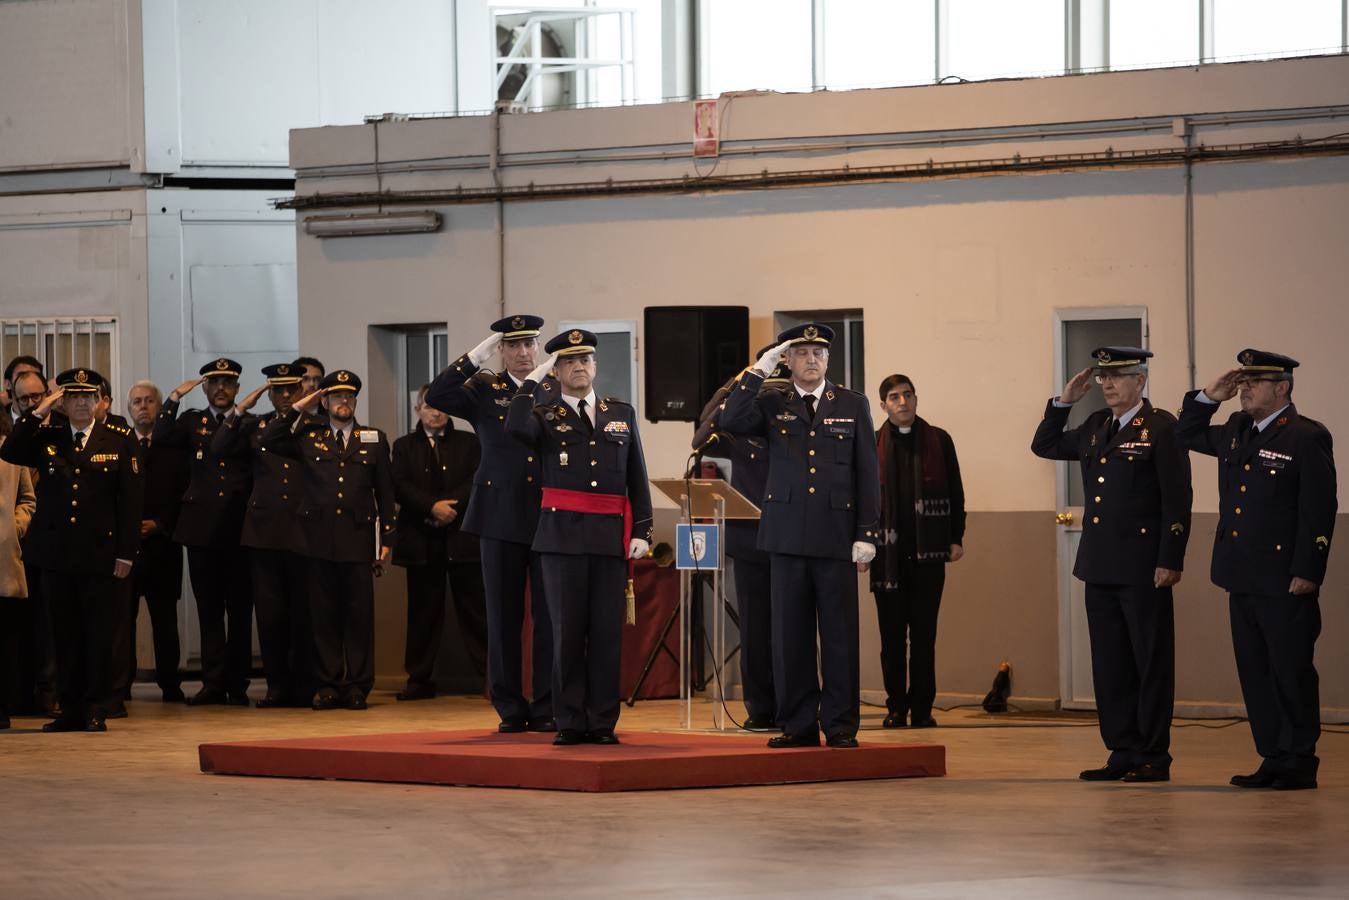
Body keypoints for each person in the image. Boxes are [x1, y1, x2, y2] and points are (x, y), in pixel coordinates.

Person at [1177, 349, 1336, 791]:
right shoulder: (1235, 429)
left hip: (1285, 578)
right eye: (1242, 382)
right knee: (1256, 672)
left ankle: (1300, 761)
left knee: (1291, 670)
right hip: (1240, 574)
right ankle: (1272, 756)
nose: (1244, 389)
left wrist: (1309, 569)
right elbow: (1185, 433)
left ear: (1282, 387)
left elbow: (1320, 509)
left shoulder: (1305, 436)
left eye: (1255, 382)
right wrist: (1211, 396)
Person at [1031, 346, 1191, 783]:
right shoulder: (1095, 426)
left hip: (1143, 567)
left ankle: (1153, 755)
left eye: (1117, 375)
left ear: (1140, 381)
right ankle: (1121, 749)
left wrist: (1170, 559)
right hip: (1099, 564)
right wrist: (1064, 401)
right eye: (1102, 376)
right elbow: (1043, 445)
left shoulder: (1160, 428)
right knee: (1110, 662)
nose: (1107, 383)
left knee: (1149, 661)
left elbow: (1177, 500)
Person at [718, 324, 881, 749]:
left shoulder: (851, 403)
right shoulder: (772, 401)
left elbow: (868, 472)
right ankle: (799, 724)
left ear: (828, 360)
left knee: (840, 637)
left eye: (819, 353)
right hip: (785, 537)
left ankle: (841, 725)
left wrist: (867, 532)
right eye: (802, 352)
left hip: (836, 535)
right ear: (787, 360)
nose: (811, 360)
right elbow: (731, 420)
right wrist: (759, 369)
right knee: (790, 637)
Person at [506, 328, 652, 746]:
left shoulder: (619, 413)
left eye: (586, 359)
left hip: (609, 540)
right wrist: (533, 381)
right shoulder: (542, 415)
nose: (580, 367)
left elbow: (636, 477)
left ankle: (602, 721)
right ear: (558, 370)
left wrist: (641, 529)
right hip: (561, 540)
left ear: (595, 365)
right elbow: (513, 430)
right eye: (570, 361)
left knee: (606, 634)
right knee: (566, 633)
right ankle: (569, 719)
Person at [427, 315, 557, 732]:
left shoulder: (552, 389)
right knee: (502, 616)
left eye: (528, 345)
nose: (522, 354)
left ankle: (546, 704)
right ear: (501, 351)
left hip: (546, 514)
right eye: (513, 346)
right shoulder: (485, 389)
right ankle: (510, 706)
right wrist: (475, 355)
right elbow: (440, 393)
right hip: (499, 514)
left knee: (549, 616)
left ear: (538, 348)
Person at [0, 368, 142, 732]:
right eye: (73, 396)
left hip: (99, 554)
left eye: (87, 396)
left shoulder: (119, 438)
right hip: (56, 553)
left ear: (98, 401)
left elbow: (130, 500)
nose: (81, 402)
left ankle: (95, 706)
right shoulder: (48, 435)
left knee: (97, 633)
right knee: (63, 634)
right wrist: (40, 408)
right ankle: (71, 707)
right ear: (63, 401)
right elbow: (13, 449)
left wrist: (126, 553)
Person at [261, 369, 395, 710]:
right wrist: (301, 406)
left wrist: (387, 539)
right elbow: (270, 439)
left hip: (358, 539)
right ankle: (328, 684)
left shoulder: (373, 439)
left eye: (349, 397)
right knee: (323, 617)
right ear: (326, 401)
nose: (344, 402)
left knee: (358, 618)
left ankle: (357, 686)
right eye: (336, 397)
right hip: (316, 540)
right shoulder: (309, 435)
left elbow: (386, 492)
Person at [690, 345, 792, 730]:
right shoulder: (740, 423)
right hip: (750, 541)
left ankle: (793, 706)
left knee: (791, 627)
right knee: (755, 629)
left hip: (790, 539)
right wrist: (736, 383)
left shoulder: (795, 418)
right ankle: (761, 709)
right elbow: (702, 435)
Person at [213, 363, 313, 708]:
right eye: (278, 390)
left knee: (303, 613)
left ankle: (303, 685)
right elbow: (220, 447)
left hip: (302, 531)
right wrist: (240, 410)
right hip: (264, 532)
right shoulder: (257, 425)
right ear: (269, 392)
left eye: (291, 389)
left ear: (301, 390)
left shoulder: (314, 427)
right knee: (270, 616)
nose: (285, 395)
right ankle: (276, 685)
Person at [154, 359, 254, 706]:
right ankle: (213, 682)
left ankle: (238, 683)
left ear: (238, 388)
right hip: (201, 531)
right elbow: (162, 436)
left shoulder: (250, 422)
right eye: (214, 382)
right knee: (209, 611)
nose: (221, 388)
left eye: (228, 382)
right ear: (206, 387)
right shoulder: (191, 421)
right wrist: (174, 398)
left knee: (240, 611)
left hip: (240, 529)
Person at [871, 373, 966, 729]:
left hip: (929, 555)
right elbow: (863, 499)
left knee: (925, 638)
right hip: (886, 557)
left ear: (915, 398)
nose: (902, 402)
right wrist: (861, 547)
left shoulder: (939, 440)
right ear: (884, 405)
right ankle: (896, 707)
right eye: (894, 397)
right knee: (891, 639)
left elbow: (956, 492)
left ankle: (923, 709)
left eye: (907, 395)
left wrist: (956, 537)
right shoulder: (872, 442)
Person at [391, 384, 487, 699]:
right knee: (423, 613)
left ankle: (490, 677)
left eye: (441, 406)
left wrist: (449, 508)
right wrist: (431, 507)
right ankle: (418, 679)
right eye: (429, 407)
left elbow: (476, 479)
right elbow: (400, 485)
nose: (435, 412)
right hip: (421, 540)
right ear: (417, 410)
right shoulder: (403, 446)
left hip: (463, 539)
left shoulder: (469, 442)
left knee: (476, 611)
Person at [111, 381, 188, 706]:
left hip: (163, 547)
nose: (143, 406)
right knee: (122, 621)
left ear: (159, 407)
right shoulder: (118, 445)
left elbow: (184, 492)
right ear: (128, 410)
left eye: (149, 401)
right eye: (137, 402)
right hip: (126, 549)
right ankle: (121, 683)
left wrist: (160, 524)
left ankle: (170, 684)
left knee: (165, 621)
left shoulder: (174, 448)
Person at [6, 368, 57, 715]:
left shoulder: (62, 428)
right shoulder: (10, 434)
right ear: (12, 398)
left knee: (49, 622)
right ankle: (17, 694)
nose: (30, 403)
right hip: (10, 550)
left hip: (51, 540)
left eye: (36, 396)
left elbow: (29, 497)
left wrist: (17, 524)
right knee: (14, 628)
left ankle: (48, 691)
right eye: (23, 398)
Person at [0, 415, 37, 730]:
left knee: (4, 641)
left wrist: (15, 527)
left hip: (3, 558)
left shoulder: (11, 451)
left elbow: (28, 499)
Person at [2, 356, 44, 426]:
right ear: (8, 384)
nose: (29, 381)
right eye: (22, 376)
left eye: (35, 376)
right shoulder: (2, 418)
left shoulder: (61, 422)